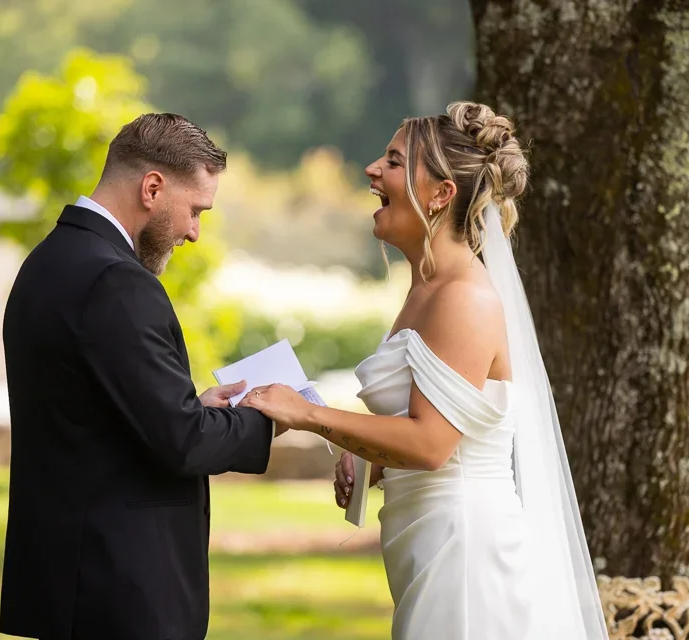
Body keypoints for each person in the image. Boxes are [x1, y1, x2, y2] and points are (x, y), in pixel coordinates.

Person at [241, 102, 609, 639]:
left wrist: (310, 415)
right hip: (426, 539)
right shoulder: (426, 289)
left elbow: (433, 443)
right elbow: (439, 426)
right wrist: (368, 457)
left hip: (463, 549)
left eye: (392, 161)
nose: (372, 170)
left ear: (440, 194)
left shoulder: (463, 297)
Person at [0, 113, 281, 640]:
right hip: (122, 590)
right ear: (152, 187)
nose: (194, 232)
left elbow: (95, 412)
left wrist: (194, 406)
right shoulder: (116, 281)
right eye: (195, 210)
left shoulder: (48, 262)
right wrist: (273, 416)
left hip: (69, 581)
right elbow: (183, 441)